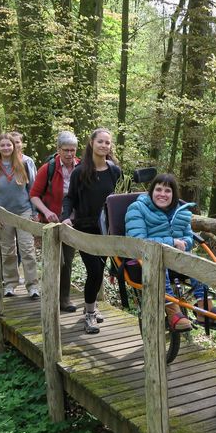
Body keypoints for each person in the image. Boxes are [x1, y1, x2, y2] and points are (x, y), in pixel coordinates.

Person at [125, 173, 216, 331]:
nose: (162, 194)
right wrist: (171, 242)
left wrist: (185, 242)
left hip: (176, 258)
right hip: (147, 258)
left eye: (167, 191)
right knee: (158, 263)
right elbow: (138, 241)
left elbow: (188, 236)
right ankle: (172, 312)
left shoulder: (180, 211)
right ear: (151, 192)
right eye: (158, 189)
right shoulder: (137, 208)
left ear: (174, 194)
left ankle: (204, 308)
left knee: (197, 260)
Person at [61, 128, 122, 334]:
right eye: (100, 142)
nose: (104, 146)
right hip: (85, 229)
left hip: (106, 231)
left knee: (99, 272)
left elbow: (120, 198)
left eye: (107, 143)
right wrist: (66, 217)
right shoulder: (80, 171)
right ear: (91, 144)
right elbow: (70, 198)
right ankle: (89, 314)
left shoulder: (115, 171)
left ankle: (92, 309)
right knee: (94, 271)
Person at [0, 133, 39, 298]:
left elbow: (33, 190)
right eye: (3, 145)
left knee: (27, 249)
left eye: (9, 145)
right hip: (3, 214)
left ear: (14, 147)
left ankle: (33, 286)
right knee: (7, 251)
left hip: (23, 211)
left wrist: (35, 213)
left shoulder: (25, 164)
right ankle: (10, 284)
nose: (6, 148)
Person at [30, 131, 80, 313]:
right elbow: (34, 195)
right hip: (50, 222)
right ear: (58, 149)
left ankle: (64, 298)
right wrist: (46, 211)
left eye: (72, 150)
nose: (69, 154)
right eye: (65, 150)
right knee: (53, 260)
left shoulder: (81, 167)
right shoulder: (48, 168)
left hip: (72, 222)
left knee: (67, 260)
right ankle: (50, 295)